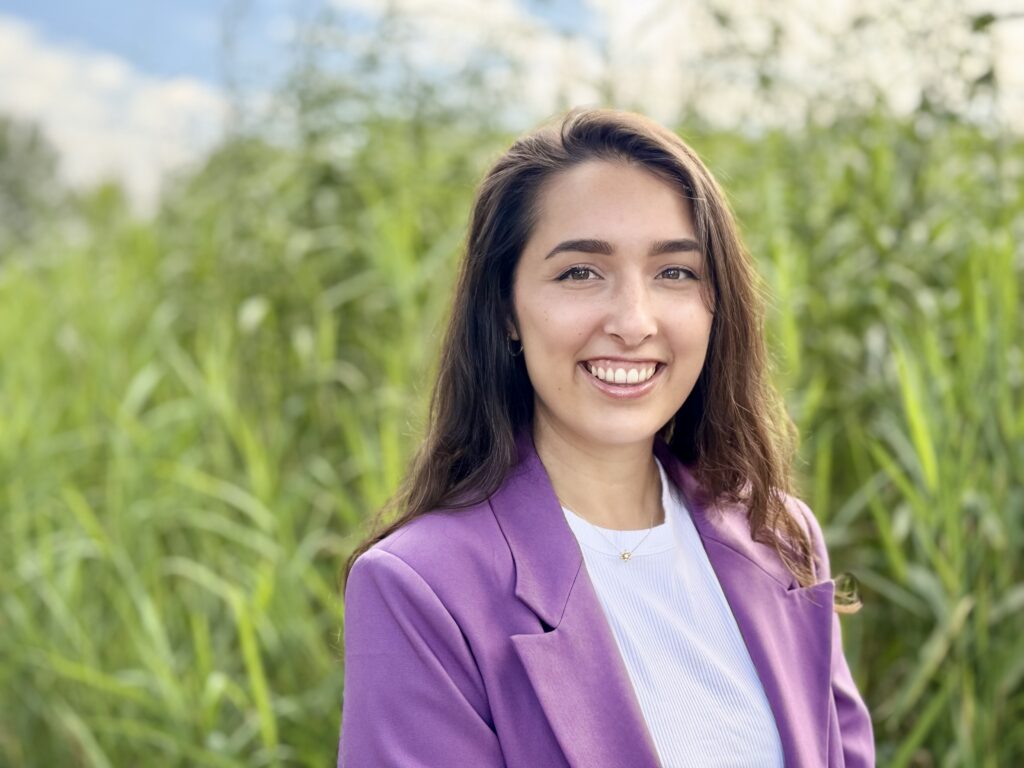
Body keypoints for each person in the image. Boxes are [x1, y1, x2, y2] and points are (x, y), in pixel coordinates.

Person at [337, 107, 874, 767]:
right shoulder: (419, 588)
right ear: (505, 308)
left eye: (674, 272)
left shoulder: (781, 536)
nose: (632, 321)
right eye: (580, 273)